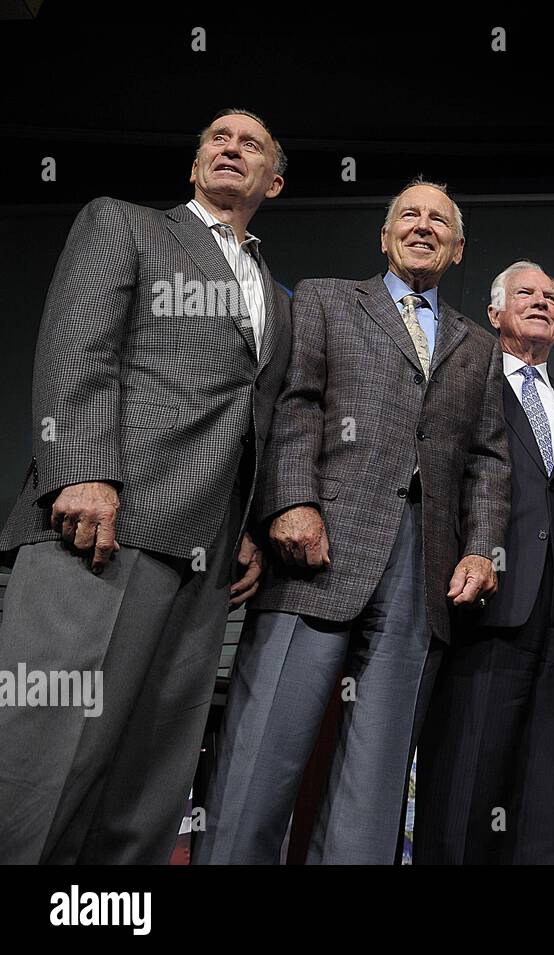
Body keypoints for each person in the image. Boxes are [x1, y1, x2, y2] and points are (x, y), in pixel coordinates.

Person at [0, 108, 290, 864]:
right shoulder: (125, 225)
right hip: (101, 529)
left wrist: (250, 528)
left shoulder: (275, 295)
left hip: (203, 559)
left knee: (148, 782)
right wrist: (84, 471)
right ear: (194, 170)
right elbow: (77, 346)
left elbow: (252, 418)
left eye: (250, 144)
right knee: (43, 758)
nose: (231, 147)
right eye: (216, 140)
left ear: (275, 180)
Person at [192, 178, 510, 864]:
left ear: (458, 249)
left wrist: (482, 549)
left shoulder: (478, 345)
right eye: (408, 215)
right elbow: (296, 403)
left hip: (422, 574)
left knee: (377, 777)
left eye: (438, 221)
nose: (422, 227)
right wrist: (293, 501)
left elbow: (488, 459)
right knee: (263, 757)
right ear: (385, 235)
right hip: (319, 549)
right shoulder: (328, 298)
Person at [414, 261, 554, 864]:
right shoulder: (462, 386)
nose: (541, 302)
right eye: (526, 294)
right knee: (468, 780)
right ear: (494, 315)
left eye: (551, 297)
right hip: (484, 608)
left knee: (550, 793)